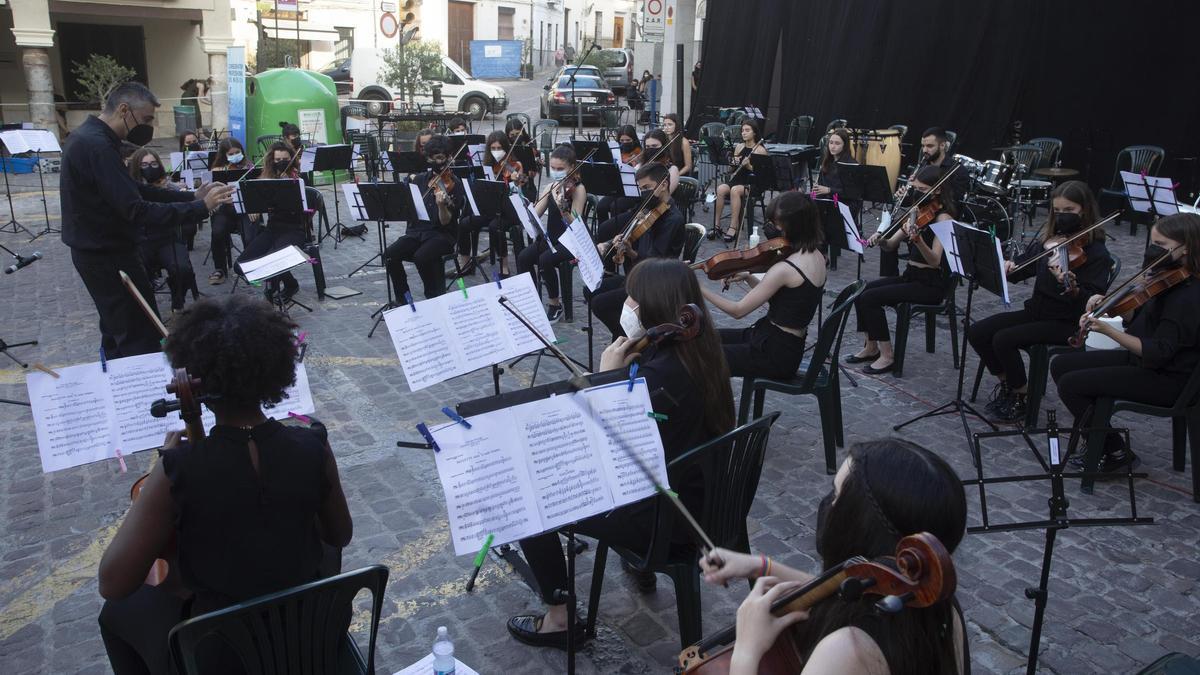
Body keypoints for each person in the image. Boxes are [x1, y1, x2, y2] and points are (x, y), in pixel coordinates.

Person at [96, 294, 353, 675]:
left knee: (116, 613)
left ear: (195, 384)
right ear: (276, 371)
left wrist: (165, 467)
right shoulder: (313, 444)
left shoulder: (177, 470)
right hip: (309, 624)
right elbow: (340, 535)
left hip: (223, 653)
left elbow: (113, 582)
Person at [507, 258, 735, 649]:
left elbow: (600, 446)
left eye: (633, 298)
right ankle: (634, 566)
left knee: (527, 498)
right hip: (704, 500)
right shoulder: (700, 350)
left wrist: (604, 377)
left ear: (653, 306)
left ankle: (560, 619)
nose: (626, 304)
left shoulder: (657, 376)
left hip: (663, 520)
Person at [699, 438, 968, 675]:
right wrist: (761, 566)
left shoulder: (846, 652)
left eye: (837, 495)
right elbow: (845, 590)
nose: (828, 503)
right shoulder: (940, 608)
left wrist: (746, 651)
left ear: (860, 524)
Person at [60, 82, 232, 358]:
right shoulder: (97, 146)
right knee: (138, 336)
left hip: (101, 251)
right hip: (107, 255)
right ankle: (138, 395)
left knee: (117, 331)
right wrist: (201, 208)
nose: (149, 127)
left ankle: (117, 384)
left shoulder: (91, 139)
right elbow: (136, 210)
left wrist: (189, 197)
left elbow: (132, 189)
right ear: (124, 110)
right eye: (147, 119)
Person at [1051, 213, 1200, 473]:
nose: (1153, 251)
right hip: (1146, 363)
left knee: (1071, 385)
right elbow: (1141, 319)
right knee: (1062, 364)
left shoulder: (1188, 297)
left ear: (1185, 247)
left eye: (1161, 246)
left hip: (1170, 378)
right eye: (1151, 243)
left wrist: (1108, 331)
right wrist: (1107, 304)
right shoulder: (1168, 274)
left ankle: (1115, 450)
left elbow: (1159, 351)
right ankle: (1098, 438)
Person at [969, 181, 1112, 423]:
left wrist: (1070, 285)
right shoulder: (1051, 241)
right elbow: (1020, 271)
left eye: (1069, 210)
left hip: (1066, 321)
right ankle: (1009, 383)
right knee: (977, 331)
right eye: (1057, 211)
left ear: (1084, 211)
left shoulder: (1097, 253)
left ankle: (1021, 396)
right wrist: (1008, 267)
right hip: (1037, 311)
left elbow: (1093, 302)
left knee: (1004, 339)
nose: (1062, 216)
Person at [702, 192, 827, 379]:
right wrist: (747, 276)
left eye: (776, 224)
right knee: (706, 339)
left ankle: (715, 406)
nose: (771, 229)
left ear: (793, 227)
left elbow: (738, 311)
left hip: (773, 355)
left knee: (702, 357)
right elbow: (786, 302)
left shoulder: (786, 268)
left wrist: (699, 289)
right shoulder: (817, 256)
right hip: (781, 343)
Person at [848, 165, 956, 374]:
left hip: (931, 284)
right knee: (861, 290)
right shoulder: (917, 211)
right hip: (911, 276)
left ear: (938, 190)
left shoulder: (944, 218)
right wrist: (880, 240)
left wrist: (917, 240)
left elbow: (935, 260)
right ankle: (870, 347)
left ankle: (887, 356)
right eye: (916, 188)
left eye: (922, 190)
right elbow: (891, 244)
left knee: (871, 299)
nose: (917, 193)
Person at [589, 162, 686, 338]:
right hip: (638, 276)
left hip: (655, 282)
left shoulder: (672, 219)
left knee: (599, 304)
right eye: (640, 189)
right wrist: (616, 242)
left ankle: (630, 340)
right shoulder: (649, 209)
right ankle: (625, 331)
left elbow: (654, 263)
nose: (643, 193)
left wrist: (631, 252)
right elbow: (633, 235)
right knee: (591, 290)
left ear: (664, 184)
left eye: (647, 187)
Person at [879, 128, 970, 278]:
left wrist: (932, 196)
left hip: (941, 218)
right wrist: (906, 194)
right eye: (923, 146)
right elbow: (914, 201)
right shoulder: (922, 166)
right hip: (921, 215)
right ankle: (891, 278)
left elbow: (955, 204)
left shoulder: (958, 171)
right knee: (888, 231)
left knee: (909, 232)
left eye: (930, 146)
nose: (925, 150)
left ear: (942, 146)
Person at [385, 134, 465, 301]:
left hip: (442, 235)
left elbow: (445, 221)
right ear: (429, 159)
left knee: (422, 257)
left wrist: (442, 205)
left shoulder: (455, 185)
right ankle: (404, 299)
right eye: (438, 158)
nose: (443, 161)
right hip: (418, 232)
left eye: (445, 157)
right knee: (390, 254)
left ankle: (433, 297)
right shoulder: (420, 180)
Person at [517, 144, 587, 322]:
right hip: (553, 238)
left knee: (545, 260)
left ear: (571, 167)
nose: (556, 172)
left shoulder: (578, 189)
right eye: (553, 168)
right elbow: (535, 214)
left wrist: (564, 209)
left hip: (571, 241)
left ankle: (555, 304)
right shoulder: (551, 187)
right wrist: (522, 202)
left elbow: (576, 224)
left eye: (560, 169)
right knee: (524, 257)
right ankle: (531, 299)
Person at [128, 148, 198, 314]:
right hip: (141, 240)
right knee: (136, 272)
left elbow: (184, 205)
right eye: (144, 165)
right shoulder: (131, 188)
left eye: (153, 163)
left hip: (167, 238)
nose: (149, 168)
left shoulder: (168, 186)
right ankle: (146, 311)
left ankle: (177, 304)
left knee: (183, 269)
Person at [236, 142, 307, 302]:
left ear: (292, 159)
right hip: (272, 230)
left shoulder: (299, 177)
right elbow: (257, 200)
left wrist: (289, 185)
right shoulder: (266, 178)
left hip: (294, 230)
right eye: (277, 159)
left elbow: (308, 206)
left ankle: (281, 287)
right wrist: (253, 208)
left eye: (285, 159)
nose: (281, 162)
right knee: (240, 265)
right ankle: (283, 284)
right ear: (271, 160)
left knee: (273, 261)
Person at [460, 130, 526, 276]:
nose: (497, 152)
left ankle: (504, 264)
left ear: (506, 149)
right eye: (493, 148)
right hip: (490, 209)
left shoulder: (515, 165)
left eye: (500, 148)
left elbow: (518, 193)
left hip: (508, 212)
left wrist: (515, 182)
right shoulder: (486, 166)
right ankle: (465, 263)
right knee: (464, 222)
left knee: (495, 226)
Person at [710, 119, 769, 244]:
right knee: (720, 189)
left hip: (752, 183)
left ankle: (733, 227)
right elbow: (732, 170)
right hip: (738, 179)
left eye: (747, 130)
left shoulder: (760, 150)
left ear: (754, 133)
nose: (744, 133)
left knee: (735, 190)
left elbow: (762, 176)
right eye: (742, 130)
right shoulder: (739, 147)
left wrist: (748, 166)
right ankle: (717, 226)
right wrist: (732, 162)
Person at [207, 137, 256, 284]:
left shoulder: (249, 167)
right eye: (231, 154)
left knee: (249, 237)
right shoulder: (217, 170)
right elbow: (213, 193)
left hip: (246, 209)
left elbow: (257, 191)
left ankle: (249, 267)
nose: (235, 156)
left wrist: (255, 207)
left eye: (238, 152)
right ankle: (220, 269)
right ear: (224, 156)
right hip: (226, 209)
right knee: (217, 232)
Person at [595, 125, 643, 223]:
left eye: (628, 140)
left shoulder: (639, 153)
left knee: (615, 207)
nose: (625, 143)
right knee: (601, 206)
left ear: (634, 139)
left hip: (632, 191)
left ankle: (616, 233)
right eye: (622, 141)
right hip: (618, 188)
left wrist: (634, 163)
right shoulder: (615, 152)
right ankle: (603, 232)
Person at [815, 128, 861, 215]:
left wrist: (829, 190)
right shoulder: (827, 162)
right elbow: (821, 186)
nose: (832, 146)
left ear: (844, 146)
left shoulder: (851, 165)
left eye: (837, 143)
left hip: (843, 203)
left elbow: (852, 193)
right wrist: (813, 197)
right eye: (831, 142)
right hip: (829, 200)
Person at [641, 129, 680, 194]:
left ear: (664, 146)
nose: (651, 149)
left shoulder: (672, 170)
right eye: (647, 146)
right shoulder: (642, 165)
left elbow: (666, 193)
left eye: (654, 146)